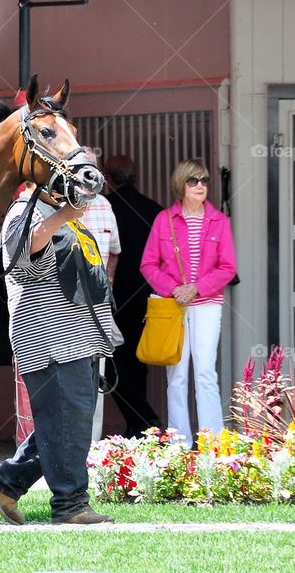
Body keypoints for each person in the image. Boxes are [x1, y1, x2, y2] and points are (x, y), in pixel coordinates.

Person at [0, 182, 115, 525]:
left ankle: (6, 482)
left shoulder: (59, 214)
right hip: (50, 339)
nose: (73, 185)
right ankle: (70, 505)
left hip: (78, 338)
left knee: (63, 422)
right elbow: (23, 251)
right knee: (67, 421)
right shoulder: (24, 210)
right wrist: (62, 216)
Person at [140, 158, 237, 446]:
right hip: (173, 307)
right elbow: (148, 264)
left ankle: (213, 444)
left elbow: (227, 267)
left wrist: (195, 288)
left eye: (204, 181)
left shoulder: (219, 221)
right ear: (181, 185)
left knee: (206, 373)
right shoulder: (164, 220)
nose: (200, 186)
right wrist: (173, 289)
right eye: (193, 181)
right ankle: (179, 445)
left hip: (207, 305)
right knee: (177, 376)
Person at [103, 155, 164, 438]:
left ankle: (143, 421)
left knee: (113, 363)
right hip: (146, 297)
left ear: (108, 179)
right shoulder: (154, 210)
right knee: (137, 363)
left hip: (112, 298)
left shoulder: (106, 209)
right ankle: (140, 424)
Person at [78, 168, 121, 441]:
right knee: (71, 374)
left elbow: (115, 252)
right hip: (66, 306)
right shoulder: (57, 203)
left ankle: (92, 445)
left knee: (97, 375)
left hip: (99, 304)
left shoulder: (105, 205)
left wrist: (109, 282)